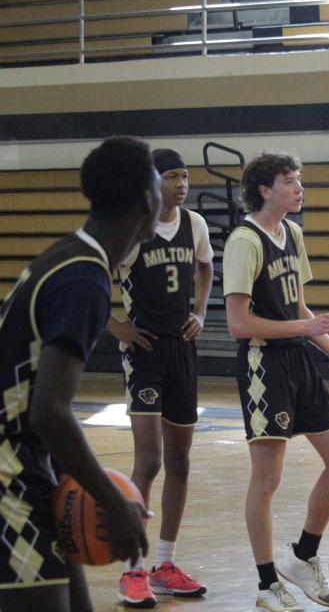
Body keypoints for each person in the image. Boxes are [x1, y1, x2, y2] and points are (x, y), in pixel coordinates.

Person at [0, 136, 158, 612]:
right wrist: (110, 500)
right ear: (147, 200)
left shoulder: (68, 258)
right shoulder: (82, 277)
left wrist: (71, 488)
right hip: (9, 478)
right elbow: (50, 410)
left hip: (29, 470)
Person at [222, 150, 329, 612]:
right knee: (267, 480)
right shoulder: (245, 241)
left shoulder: (293, 233)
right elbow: (239, 324)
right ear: (265, 189)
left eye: (299, 180)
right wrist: (304, 330)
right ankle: (268, 584)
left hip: (299, 361)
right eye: (290, 180)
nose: (299, 187)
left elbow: (298, 308)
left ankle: (302, 556)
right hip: (264, 366)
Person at [107, 148, 214, 607]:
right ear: (153, 182)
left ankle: (165, 564)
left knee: (181, 462)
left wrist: (201, 311)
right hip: (145, 352)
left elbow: (207, 267)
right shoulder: (132, 227)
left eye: (185, 177)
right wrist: (116, 327)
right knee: (148, 460)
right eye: (172, 176)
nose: (182, 184)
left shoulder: (195, 225)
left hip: (182, 349)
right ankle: (132, 569)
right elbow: (93, 279)